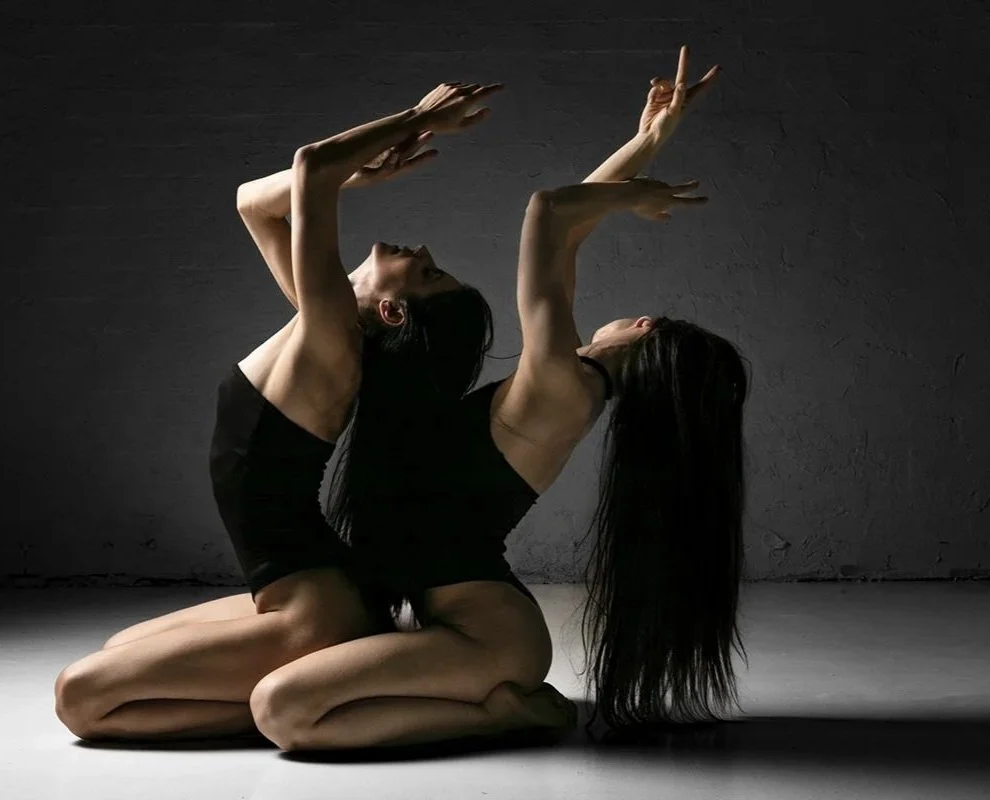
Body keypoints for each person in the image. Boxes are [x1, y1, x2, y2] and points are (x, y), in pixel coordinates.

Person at [248, 45, 751, 750]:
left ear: (644, 327)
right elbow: (569, 233)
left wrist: (628, 195)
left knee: (285, 711)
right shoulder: (570, 382)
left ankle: (512, 711)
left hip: (488, 638)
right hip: (473, 626)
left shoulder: (562, 387)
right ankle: (493, 699)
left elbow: (549, 214)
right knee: (284, 705)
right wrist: (648, 141)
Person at [53, 82, 502, 741]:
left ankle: (318, 687)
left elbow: (311, 165)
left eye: (430, 275)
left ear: (394, 312)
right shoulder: (323, 325)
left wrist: (417, 118)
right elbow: (254, 206)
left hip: (312, 611)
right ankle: (309, 686)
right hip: (302, 595)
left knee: (79, 698)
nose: (426, 254)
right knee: (119, 654)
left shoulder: (333, 343)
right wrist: (352, 177)